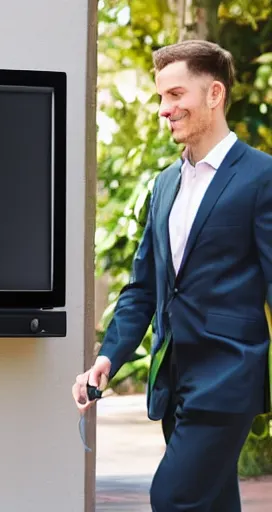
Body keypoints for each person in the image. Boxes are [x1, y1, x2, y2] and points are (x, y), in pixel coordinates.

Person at [72, 39, 272, 511]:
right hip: (174, 377)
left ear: (214, 94)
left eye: (176, 94)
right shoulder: (164, 184)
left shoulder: (262, 177)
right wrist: (108, 358)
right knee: (213, 502)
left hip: (229, 375)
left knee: (173, 497)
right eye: (162, 97)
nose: (165, 109)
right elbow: (143, 287)